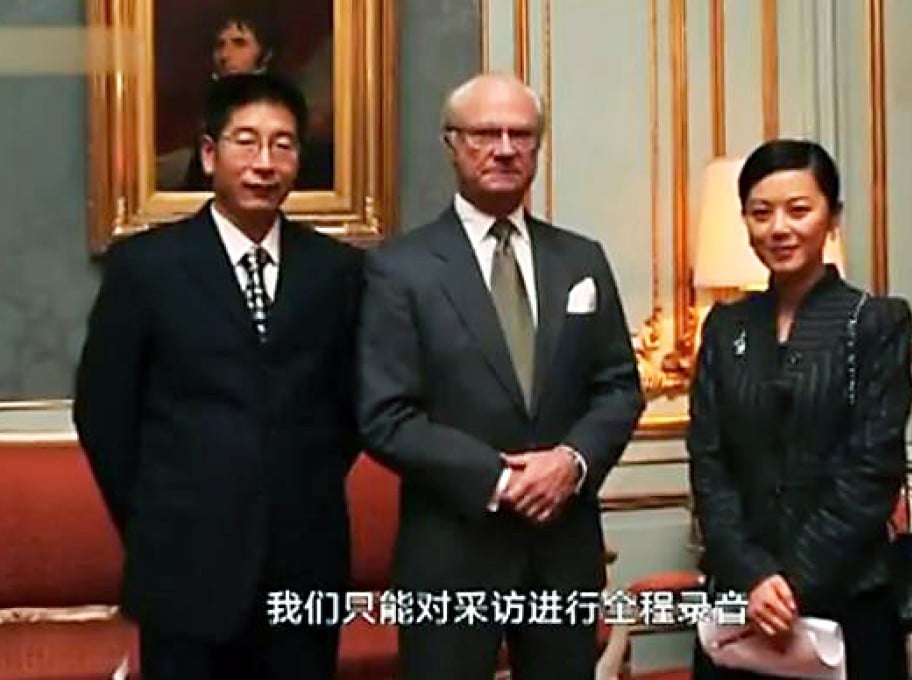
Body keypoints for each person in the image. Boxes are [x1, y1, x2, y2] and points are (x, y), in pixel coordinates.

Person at [356, 72, 645, 680]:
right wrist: (500, 479)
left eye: (523, 134)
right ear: (452, 144)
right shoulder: (399, 268)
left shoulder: (580, 258)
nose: (506, 148)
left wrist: (570, 461)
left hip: (562, 552)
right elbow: (386, 415)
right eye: (487, 133)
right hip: (452, 555)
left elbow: (619, 386)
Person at [74, 73, 362, 680]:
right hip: (183, 567)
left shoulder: (339, 272)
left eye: (283, 145)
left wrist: (292, 485)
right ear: (209, 154)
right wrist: (159, 515)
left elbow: (349, 410)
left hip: (303, 565)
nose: (265, 163)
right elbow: (103, 414)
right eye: (247, 142)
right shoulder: (146, 268)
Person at [687, 139, 912, 679]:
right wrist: (752, 575)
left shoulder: (875, 322)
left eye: (799, 209)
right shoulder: (726, 327)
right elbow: (709, 463)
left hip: (844, 595)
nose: (779, 229)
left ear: (832, 218)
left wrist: (790, 583)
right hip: (739, 598)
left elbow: (872, 469)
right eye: (761, 213)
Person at [175, 6, 333, 191]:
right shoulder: (210, 107)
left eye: (239, 43)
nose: (225, 55)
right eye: (220, 45)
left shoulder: (286, 105)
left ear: (266, 53)